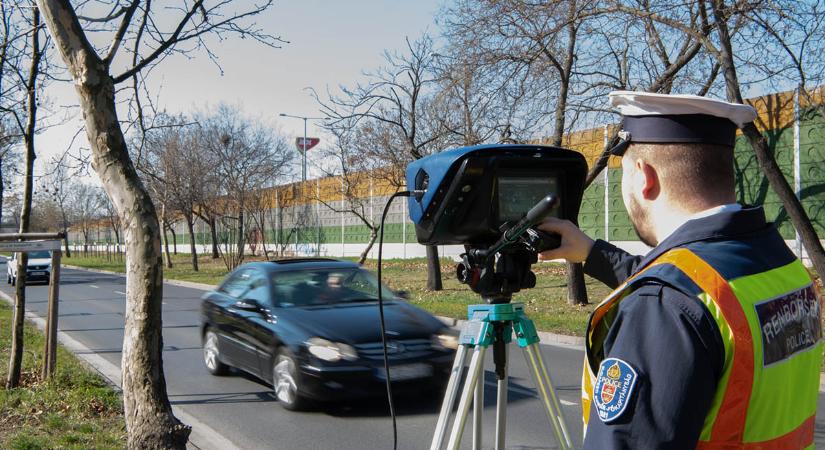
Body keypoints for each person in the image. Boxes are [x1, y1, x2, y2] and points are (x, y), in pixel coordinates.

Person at [539, 91, 823, 449]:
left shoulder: (662, 305)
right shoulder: (780, 264)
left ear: (644, 177)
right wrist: (594, 253)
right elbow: (700, 290)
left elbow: (680, 300)